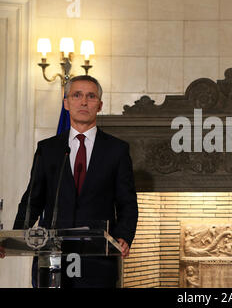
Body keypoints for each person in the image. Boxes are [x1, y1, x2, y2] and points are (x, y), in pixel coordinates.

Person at [7, 75, 138, 288]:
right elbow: (33, 199)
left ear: (100, 105)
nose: (84, 102)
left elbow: (127, 203)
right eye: (77, 95)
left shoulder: (117, 150)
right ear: (66, 103)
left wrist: (123, 236)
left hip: (97, 261)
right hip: (52, 257)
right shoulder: (47, 149)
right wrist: (15, 238)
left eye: (91, 96)